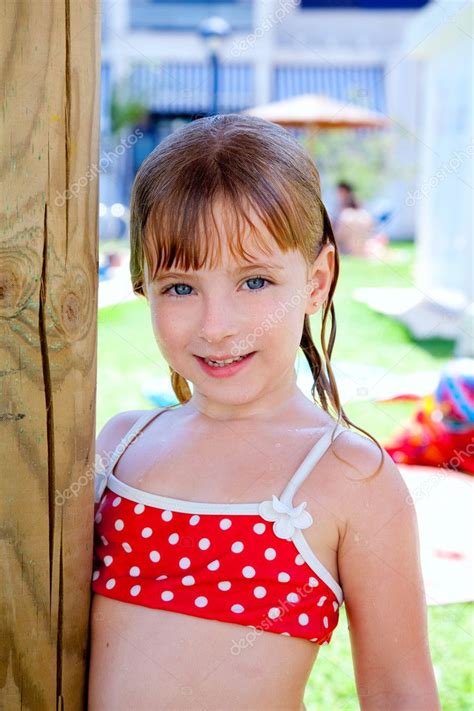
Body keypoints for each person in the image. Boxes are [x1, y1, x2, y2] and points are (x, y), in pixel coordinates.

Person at [88, 114, 440, 710]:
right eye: (180, 287)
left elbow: (399, 693)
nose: (216, 325)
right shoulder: (120, 447)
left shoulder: (349, 477)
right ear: (144, 286)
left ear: (317, 280)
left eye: (254, 282)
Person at [333, 181, 375, 257]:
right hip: (363, 250)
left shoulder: (345, 215)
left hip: (349, 250)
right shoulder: (364, 214)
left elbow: (338, 236)